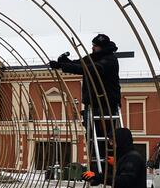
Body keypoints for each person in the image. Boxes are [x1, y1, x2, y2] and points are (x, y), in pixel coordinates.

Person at [49, 34, 121, 172]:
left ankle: (108, 171)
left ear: (102, 47)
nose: (92, 48)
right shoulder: (93, 57)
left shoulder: (110, 60)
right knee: (92, 138)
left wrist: (64, 65)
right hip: (92, 104)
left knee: (107, 138)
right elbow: (79, 64)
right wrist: (63, 63)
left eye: (95, 46)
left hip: (106, 104)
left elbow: (90, 69)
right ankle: (95, 170)